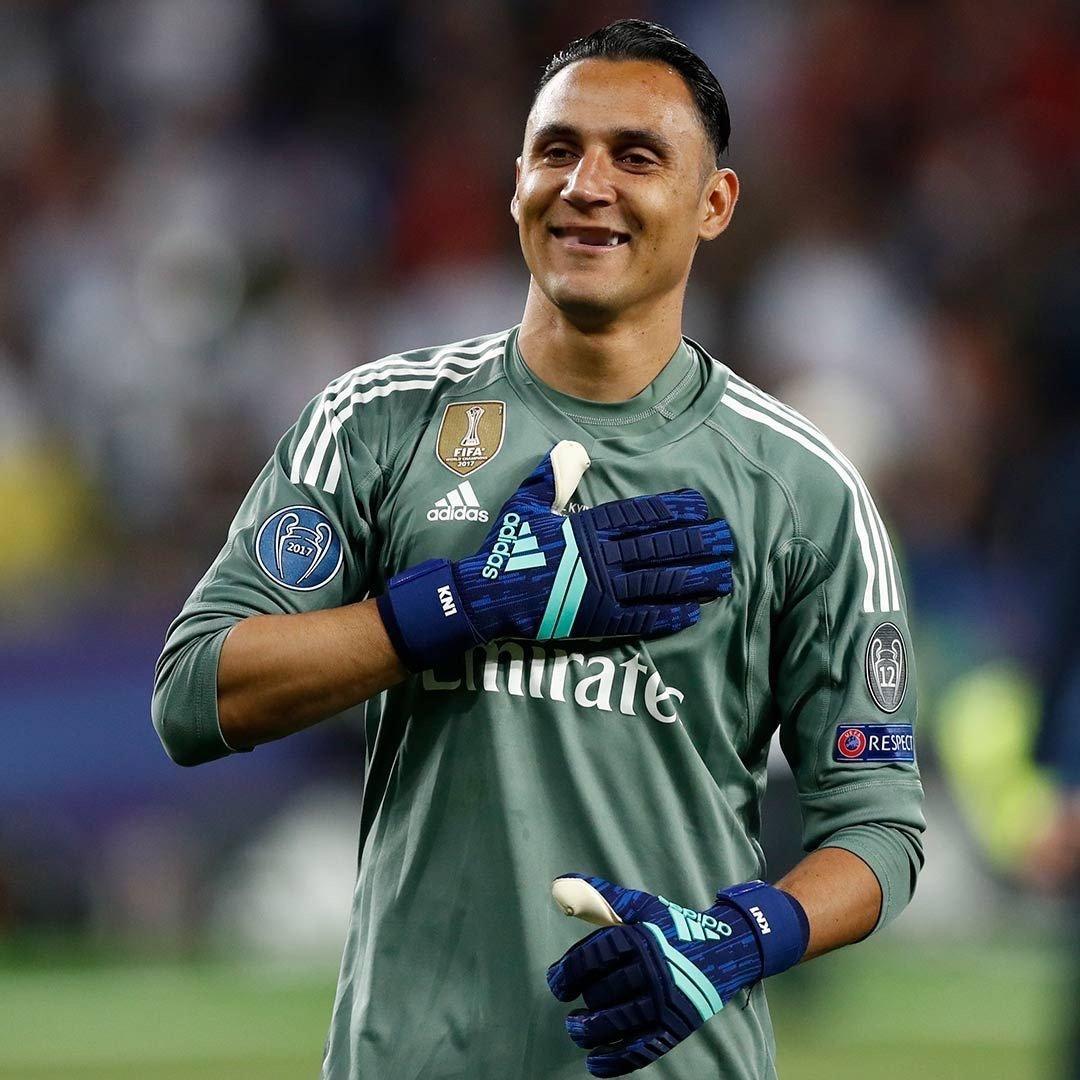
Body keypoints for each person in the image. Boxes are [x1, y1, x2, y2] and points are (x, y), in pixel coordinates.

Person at [153, 20, 925, 1079]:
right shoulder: (379, 422)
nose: (586, 185)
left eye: (636, 156)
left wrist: (740, 940)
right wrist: (460, 606)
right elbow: (196, 693)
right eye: (557, 150)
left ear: (714, 203)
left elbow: (879, 829)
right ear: (516, 181)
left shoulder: (802, 487)